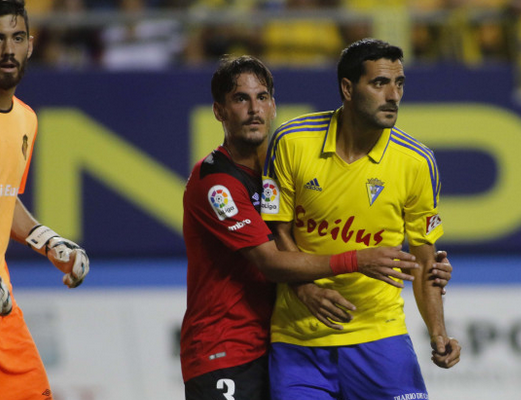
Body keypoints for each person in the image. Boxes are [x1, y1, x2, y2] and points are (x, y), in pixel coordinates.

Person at [180, 54, 453, 400]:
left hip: (272, 343)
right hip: (224, 348)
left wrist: (428, 269)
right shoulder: (216, 183)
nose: (254, 109)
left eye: (261, 97)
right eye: (240, 99)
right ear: (219, 111)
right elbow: (271, 260)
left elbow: (305, 233)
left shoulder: (281, 163)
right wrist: (350, 264)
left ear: (273, 105)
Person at [261, 38, 461, 400]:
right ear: (347, 89)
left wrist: (438, 332)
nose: (393, 95)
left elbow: (424, 257)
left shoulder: (417, 162)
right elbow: (276, 230)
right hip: (299, 340)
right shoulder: (292, 141)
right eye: (379, 83)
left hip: (380, 337)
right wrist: (304, 289)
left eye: (399, 83)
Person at [0, 1, 90, 399]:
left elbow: (1, 196)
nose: (8, 50)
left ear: (31, 45)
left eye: (17, 38)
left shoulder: (27, 120)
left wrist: (46, 240)